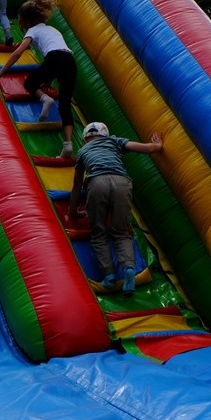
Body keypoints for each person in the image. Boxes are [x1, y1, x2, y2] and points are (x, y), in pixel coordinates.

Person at [67, 122, 163, 297]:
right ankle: (129, 268)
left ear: (85, 138)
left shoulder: (82, 151)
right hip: (122, 183)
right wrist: (157, 145)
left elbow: (76, 186)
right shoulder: (114, 141)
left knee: (98, 232)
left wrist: (72, 210)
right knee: (122, 232)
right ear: (106, 134)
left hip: (97, 183)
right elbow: (147, 148)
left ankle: (109, 275)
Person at [0, 0, 78, 158]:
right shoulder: (52, 29)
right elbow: (59, 53)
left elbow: (18, 52)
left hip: (54, 58)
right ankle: (68, 144)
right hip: (70, 61)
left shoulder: (32, 30)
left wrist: (3, 71)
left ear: (26, 20)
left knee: (30, 82)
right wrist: (48, 79)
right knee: (65, 104)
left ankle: (45, 99)